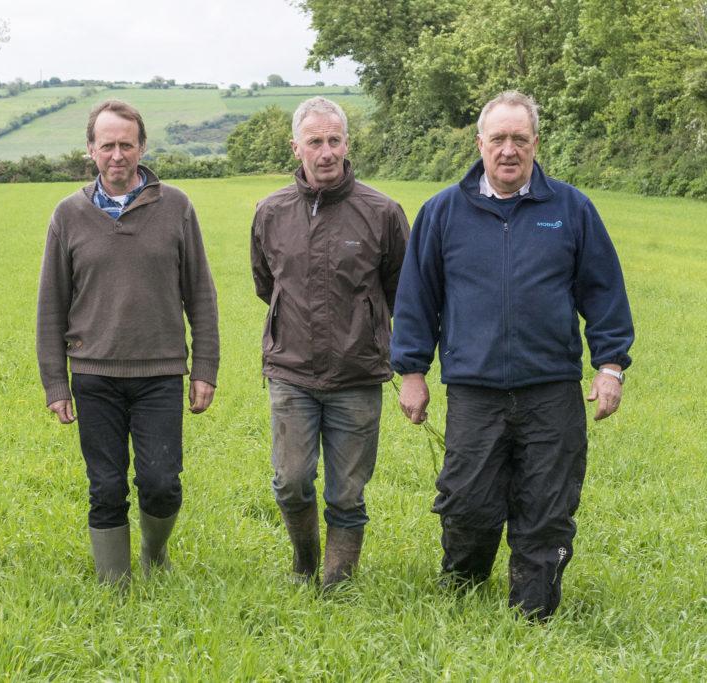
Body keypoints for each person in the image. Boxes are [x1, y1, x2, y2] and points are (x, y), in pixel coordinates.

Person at [391, 91, 634, 620]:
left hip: (551, 389)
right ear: (479, 143)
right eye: (497, 138)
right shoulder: (442, 212)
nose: (508, 150)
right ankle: (462, 591)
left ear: (535, 144)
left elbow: (604, 292)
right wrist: (412, 370)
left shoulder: (571, 209)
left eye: (518, 139)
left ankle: (534, 611)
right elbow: (417, 298)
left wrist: (610, 365)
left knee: (547, 504)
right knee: (467, 503)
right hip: (474, 390)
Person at [36, 100, 220, 585]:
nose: (117, 154)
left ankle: (154, 556)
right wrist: (56, 383)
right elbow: (51, 304)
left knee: (161, 482)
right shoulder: (68, 215)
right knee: (106, 485)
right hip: (94, 373)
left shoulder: (176, 206)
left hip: (159, 372)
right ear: (91, 150)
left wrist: (205, 367)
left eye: (127, 144)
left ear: (142, 147)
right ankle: (113, 584)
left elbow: (200, 290)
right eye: (107, 145)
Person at [251, 97, 409, 586]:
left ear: (347, 143)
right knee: (292, 482)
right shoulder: (271, 212)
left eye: (334, 140)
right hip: (291, 372)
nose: (326, 152)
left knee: (347, 493)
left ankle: (338, 579)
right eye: (315, 141)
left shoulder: (381, 212)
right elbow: (265, 283)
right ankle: (304, 562)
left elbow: (400, 287)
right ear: (296, 147)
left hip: (357, 374)